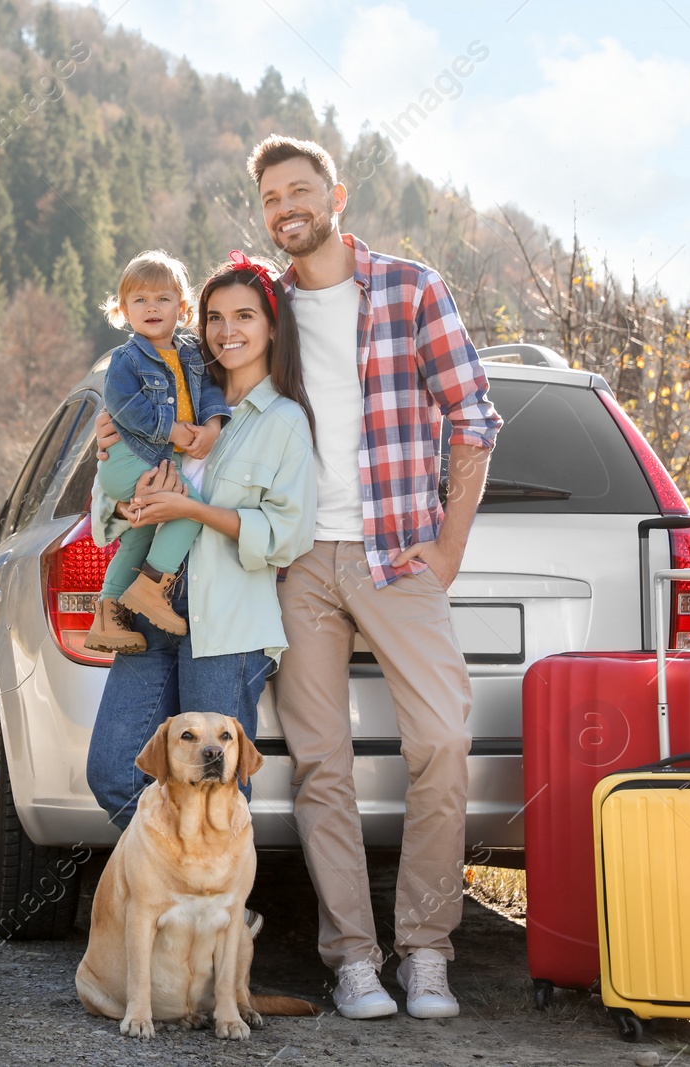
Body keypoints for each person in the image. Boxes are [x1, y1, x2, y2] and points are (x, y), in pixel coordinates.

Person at [247, 134, 503, 1021]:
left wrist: (450, 549)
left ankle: (426, 950)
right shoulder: (265, 307)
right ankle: (353, 958)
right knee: (323, 765)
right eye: (273, 195)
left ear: (337, 194)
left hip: (399, 552)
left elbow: (473, 415)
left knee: (441, 740)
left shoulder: (410, 287)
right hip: (297, 562)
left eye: (300, 189)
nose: (287, 206)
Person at [86, 254, 316, 829]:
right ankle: (171, 871)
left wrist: (193, 510)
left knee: (218, 785)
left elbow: (285, 536)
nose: (227, 330)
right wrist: (121, 483)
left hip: (227, 623)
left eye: (245, 316)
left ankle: (212, 906)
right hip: (147, 608)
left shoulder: (283, 419)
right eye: (215, 317)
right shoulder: (161, 391)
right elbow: (104, 518)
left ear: (271, 327)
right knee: (116, 770)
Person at [83, 250, 229, 654]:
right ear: (124, 310)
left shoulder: (190, 354)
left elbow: (211, 392)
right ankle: (151, 586)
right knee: (189, 510)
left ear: (181, 308)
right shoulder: (127, 359)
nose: (152, 307)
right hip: (131, 458)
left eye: (162, 299)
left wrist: (213, 425)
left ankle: (109, 616)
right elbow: (126, 408)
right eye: (140, 300)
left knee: (137, 537)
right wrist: (175, 432)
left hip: (152, 461)